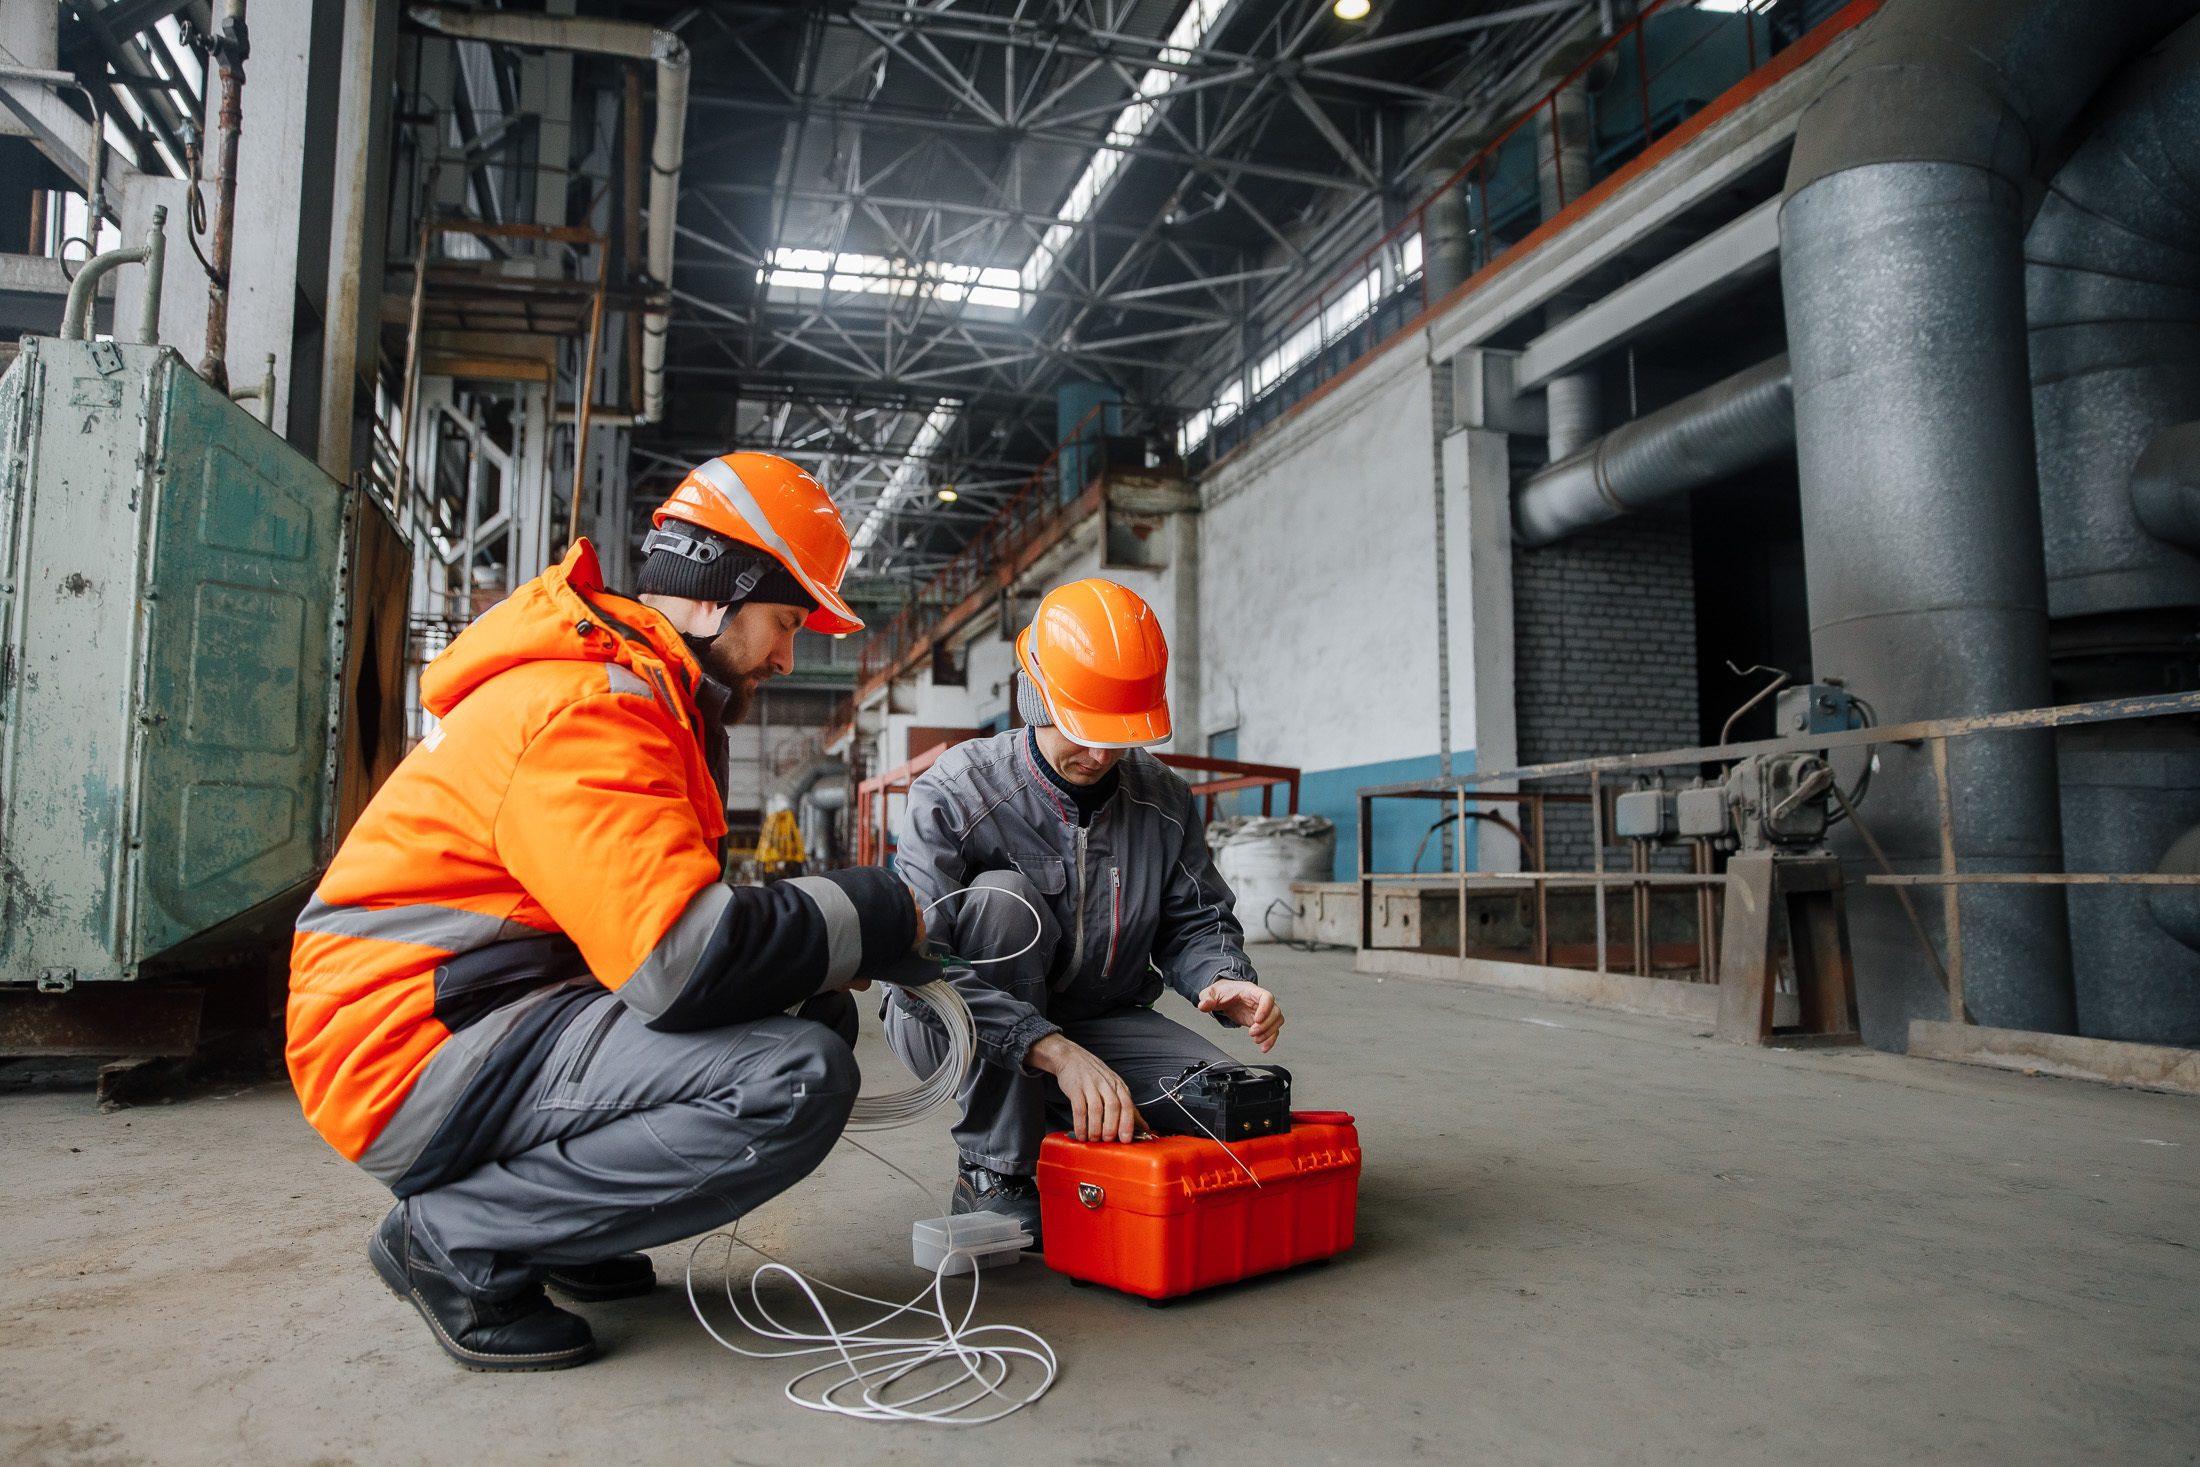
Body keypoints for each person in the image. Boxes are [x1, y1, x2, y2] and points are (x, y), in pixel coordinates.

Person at [286, 452, 923, 1372]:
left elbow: (651, 928)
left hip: (470, 1011)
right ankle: (458, 1237)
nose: (788, 654)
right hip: (402, 1051)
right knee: (797, 1074)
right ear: (719, 591)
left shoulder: (636, 694)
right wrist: (888, 910)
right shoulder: (591, 706)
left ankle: (560, 1235)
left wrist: (821, 955)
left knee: (809, 1005)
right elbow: (679, 958)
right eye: (786, 620)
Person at [886, 578, 1285, 1241]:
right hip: (953, 1024)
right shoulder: (956, 793)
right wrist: (1049, 1048)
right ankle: (996, 1167)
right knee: (1001, 903)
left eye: (1117, 737)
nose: (1100, 756)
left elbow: (1195, 918)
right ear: (1035, 695)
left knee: (1230, 1101)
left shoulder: (1163, 800)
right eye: (1084, 731)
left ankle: (1060, 1105)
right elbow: (918, 966)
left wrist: (1221, 974)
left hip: (1098, 1018)